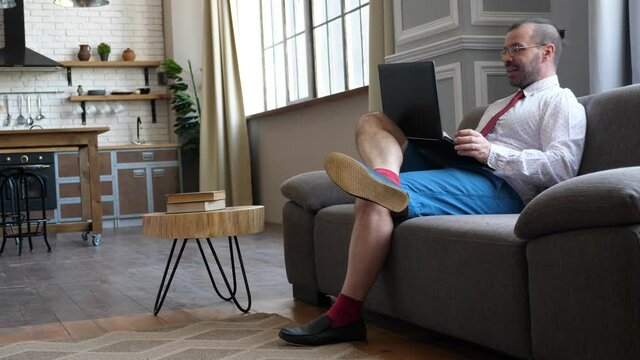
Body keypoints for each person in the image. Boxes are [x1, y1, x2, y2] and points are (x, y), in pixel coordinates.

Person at [279, 17, 586, 346]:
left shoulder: (561, 102)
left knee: (370, 198)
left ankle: (345, 316)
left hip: (502, 187)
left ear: (547, 51)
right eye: (504, 51)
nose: (505, 58)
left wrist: (491, 153)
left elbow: (562, 167)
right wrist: (443, 143)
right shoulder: (498, 106)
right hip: (466, 170)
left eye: (516, 49)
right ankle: (386, 180)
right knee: (373, 121)